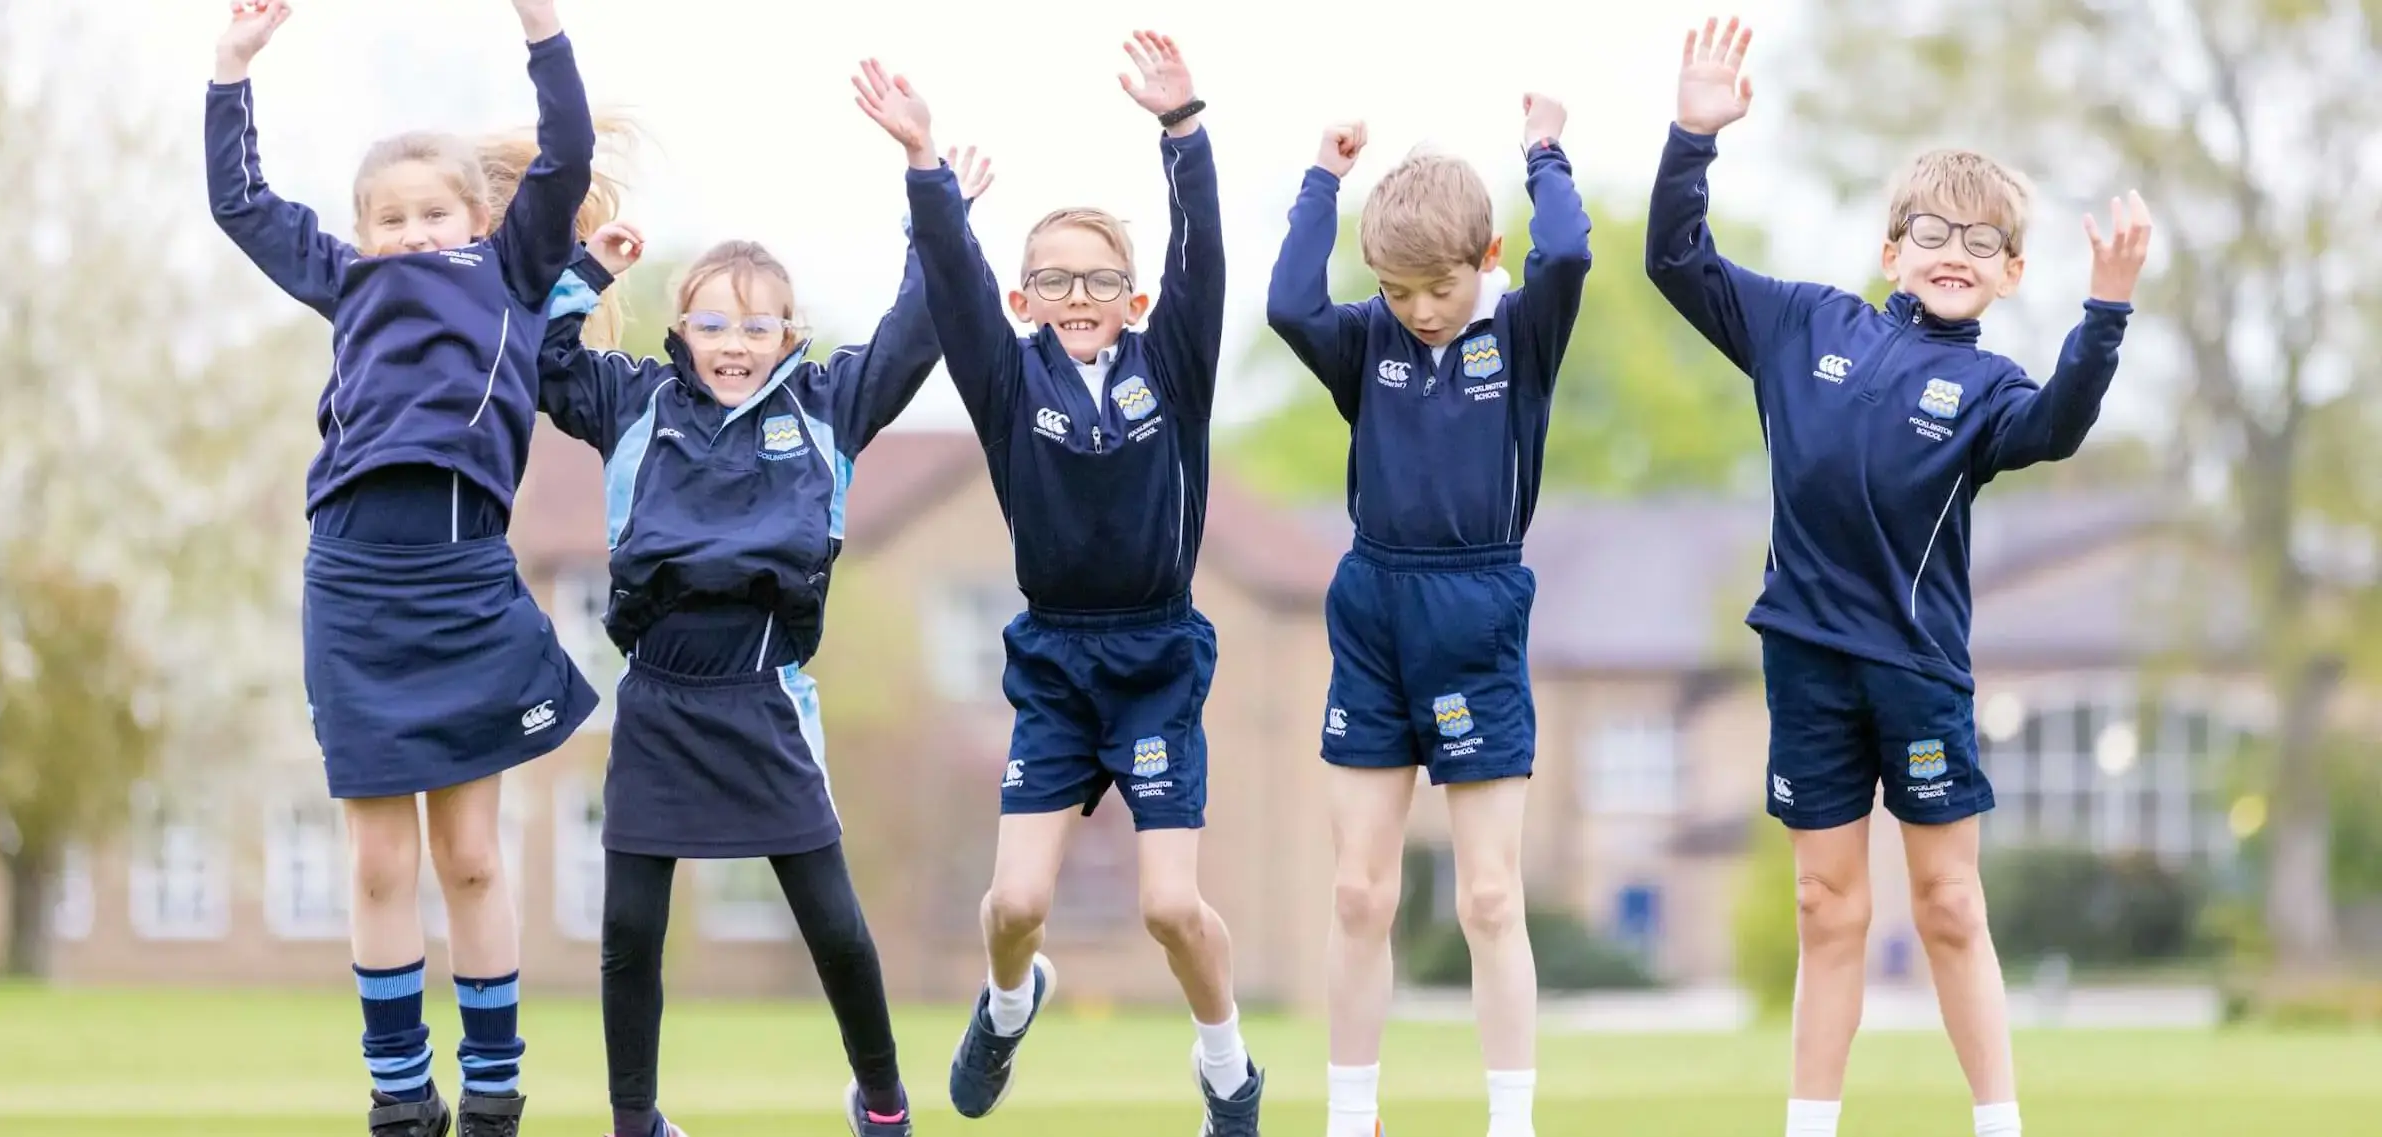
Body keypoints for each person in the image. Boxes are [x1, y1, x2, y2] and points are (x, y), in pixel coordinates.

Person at [1641, 18, 2150, 1137]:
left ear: (2012, 273)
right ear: (1891, 250)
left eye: (1981, 239)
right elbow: (1673, 259)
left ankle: (1998, 1123)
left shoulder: (1993, 390)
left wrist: (2103, 313)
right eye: (1929, 229)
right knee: (1826, 905)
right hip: (1803, 663)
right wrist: (1693, 136)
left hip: (1915, 674)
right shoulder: (1802, 324)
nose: (1951, 249)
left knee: (1948, 906)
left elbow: (2060, 427)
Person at [535, 149, 996, 1137]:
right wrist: (588, 272)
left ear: (789, 334)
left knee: (831, 918)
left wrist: (937, 215)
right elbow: (543, 361)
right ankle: (634, 1121)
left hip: (764, 695)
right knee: (628, 930)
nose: (732, 341)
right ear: (680, 330)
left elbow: (918, 330)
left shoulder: (826, 406)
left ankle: (881, 1103)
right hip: (656, 697)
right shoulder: (633, 405)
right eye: (712, 321)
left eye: (755, 324)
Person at [852, 34, 1265, 1135]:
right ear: (1024, 298)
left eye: (1098, 279)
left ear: (1132, 302)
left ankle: (1225, 1066)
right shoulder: (1004, 375)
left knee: (1171, 907)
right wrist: (925, 163)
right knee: (1018, 903)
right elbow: (947, 282)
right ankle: (1008, 998)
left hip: (1157, 659)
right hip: (1054, 659)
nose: (1076, 294)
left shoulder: (1169, 366)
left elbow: (1206, 255)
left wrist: (1184, 132)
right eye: (1053, 279)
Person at [205, 2, 603, 1134]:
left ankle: (492, 1093)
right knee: (380, 864)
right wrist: (231, 69)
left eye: (436, 212)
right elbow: (239, 204)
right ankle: (396, 1096)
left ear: (479, 218)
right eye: (392, 218)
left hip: (465, 580)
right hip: (354, 585)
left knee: (471, 856)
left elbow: (566, 150)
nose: (415, 231)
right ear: (363, 232)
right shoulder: (348, 284)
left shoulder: (514, 271)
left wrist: (542, 27)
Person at [1264, 89, 1592, 1137]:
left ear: (1487, 255)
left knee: (1488, 898)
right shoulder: (1370, 343)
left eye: (1438, 286)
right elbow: (1287, 306)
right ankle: (1350, 1116)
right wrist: (1321, 179)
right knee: (1360, 892)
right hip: (1372, 610)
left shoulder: (1523, 333)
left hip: (1478, 608)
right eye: (1398, 289)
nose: (1419, 309)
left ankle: (1510, 1120)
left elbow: (1572, 255)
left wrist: (1544, 153)